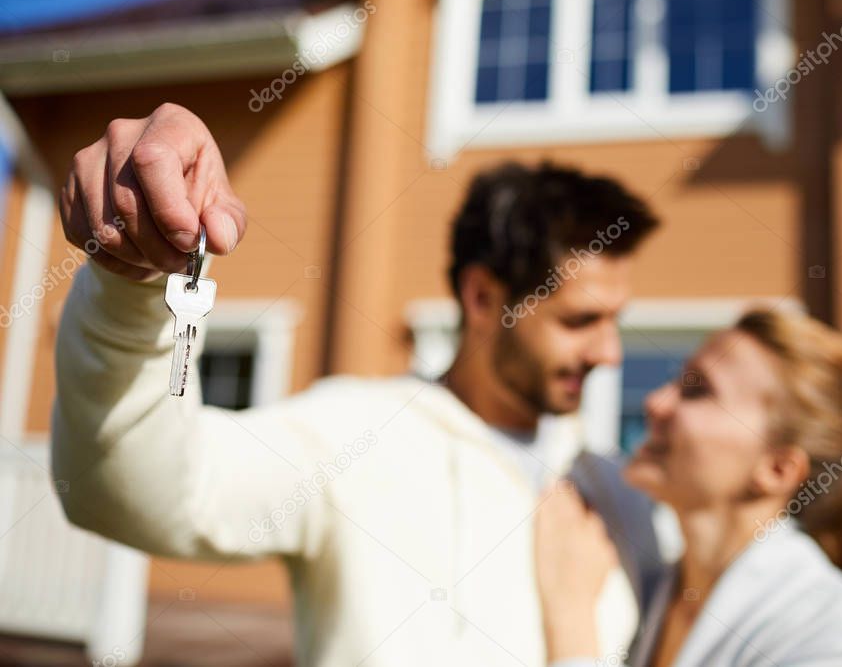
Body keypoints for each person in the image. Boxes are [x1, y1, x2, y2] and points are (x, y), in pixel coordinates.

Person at [51, 104, 664, 666]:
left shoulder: (621, 496)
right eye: (580, 320)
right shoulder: (351, 437)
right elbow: (130, 491)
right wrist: (129, 290)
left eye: (615, 322)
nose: (609, 353)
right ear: (483, 297)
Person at [535, 309, 842, 667]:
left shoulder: (836, 632)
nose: (656, 402)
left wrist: (572, 630)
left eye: (698, 391)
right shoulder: (657, 590)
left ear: (778, 469)